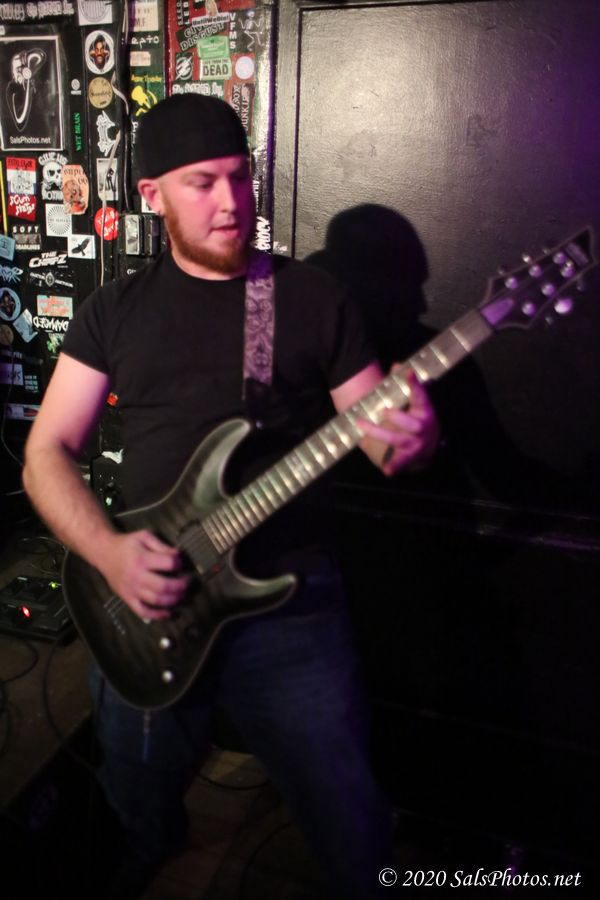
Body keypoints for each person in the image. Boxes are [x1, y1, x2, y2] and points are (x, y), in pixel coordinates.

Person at [22, 94, 439, 898]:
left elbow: (382, 440)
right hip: (147, 597)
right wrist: (109, 553)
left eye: (240, 177)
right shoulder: (114, 311)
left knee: (347, 811)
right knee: (136, 780)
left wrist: (411, 442)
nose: (231, 202)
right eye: (202, 182)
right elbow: (46, 452)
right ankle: (146, 845)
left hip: (291, 600)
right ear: (153, 195)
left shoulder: (313, 298)